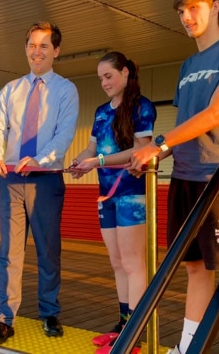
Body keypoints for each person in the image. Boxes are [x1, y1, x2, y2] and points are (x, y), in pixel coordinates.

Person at [128, 0, 219, 353]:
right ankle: (187, 348)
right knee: (195, 268)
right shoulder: (187, 66)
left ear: (215, 7)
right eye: (182, 11)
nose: (187, 17)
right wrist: (153, 156)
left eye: (195, 8)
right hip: (184, 177)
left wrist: (159, 144)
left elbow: (216, 115)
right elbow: (187, 126)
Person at [0, 21, 79, 345]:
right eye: (31, 45)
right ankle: (4, 319)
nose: (36, 52)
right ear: (25, 49)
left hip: (46, 180)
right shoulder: (10, 90)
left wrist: (42, 158)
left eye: (43, 46)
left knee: (48, 250)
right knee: (9, 252)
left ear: (56, 51)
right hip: (10, 179)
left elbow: (64, 133)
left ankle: (50, 313)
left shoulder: (66, 90)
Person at [70, 51, 155, 354]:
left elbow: (140, 150)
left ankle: (136, 331)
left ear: (126, 74)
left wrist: (97, 161)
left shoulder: (142, 107)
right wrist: (79, 162)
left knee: (134, 263)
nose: (104, 82)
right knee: (117, 262)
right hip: (105, 194)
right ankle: (123, 324)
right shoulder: (101, 111)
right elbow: (91, 147)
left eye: (109, 76)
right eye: (100, 78)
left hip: (132, 193)